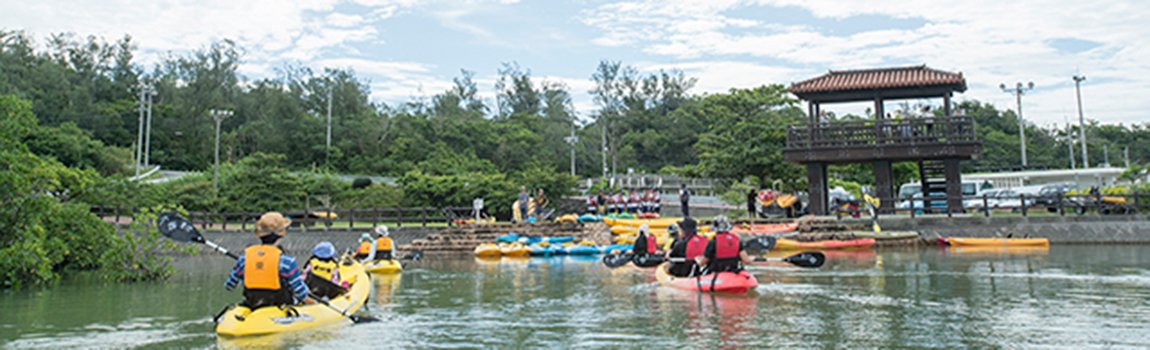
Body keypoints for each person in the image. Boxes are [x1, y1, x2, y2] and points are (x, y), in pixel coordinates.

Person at [224, 212, 315, 309]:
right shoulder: (288, 262)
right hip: (280, 305)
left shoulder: (244, 258)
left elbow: (229, 286)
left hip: (252, 304)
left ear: (259, 234)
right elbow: (300, 292)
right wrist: (314, 303)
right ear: (282, 233)